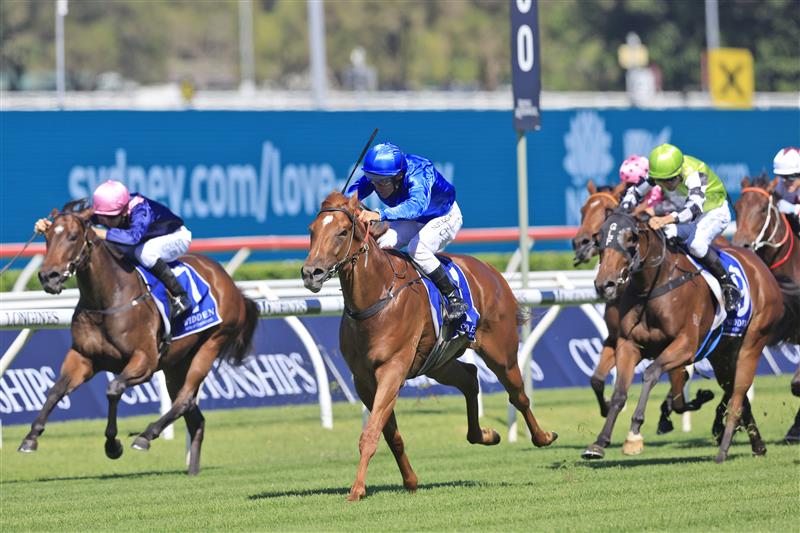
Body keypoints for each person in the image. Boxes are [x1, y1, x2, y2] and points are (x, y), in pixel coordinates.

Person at [34, 180, 192, 318]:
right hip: (147, 238)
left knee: (145, 253)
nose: (104, 220)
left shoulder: (141, 210)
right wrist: (52, 225)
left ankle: (181, 296)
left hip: (175, 237)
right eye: (101, 216)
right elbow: (73, 220)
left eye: (110, 217)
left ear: (123, 211)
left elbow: (133, 237)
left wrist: (102, 232)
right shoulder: (106, 209)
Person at [347, 142, 468, 321]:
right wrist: (343, 203)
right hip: (415, 220)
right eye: (372, 179)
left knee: (417, 250)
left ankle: (454, 297)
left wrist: (379, 214)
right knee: (382, 246)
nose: (377, 186)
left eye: (383, 182)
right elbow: (354, 192)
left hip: (444, 216)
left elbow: (415, 207)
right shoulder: (383, 175)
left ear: (399, 176)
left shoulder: (420, 173)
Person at [620, 143, 741, 312]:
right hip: (694, 215)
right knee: (664, 235)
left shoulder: (694, 173)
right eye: (662, 181)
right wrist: (623, 208)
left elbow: (693, 208)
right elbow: (635, 192)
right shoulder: (663, 172)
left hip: (716, 212)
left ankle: (728, 284)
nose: (668, 185)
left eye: (671, 180)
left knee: (696, 245)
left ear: (678, 171)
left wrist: (665, 219)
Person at [773, 147, 800, 233]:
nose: (786, 182)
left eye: (791, 177)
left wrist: (793, 209)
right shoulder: (780, 184)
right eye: (783, 177)